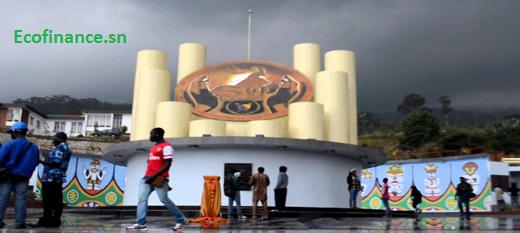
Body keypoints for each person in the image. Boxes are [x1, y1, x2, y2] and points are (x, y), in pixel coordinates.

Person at [126, 128, 188, 231]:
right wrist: (149, 175)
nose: (150, 136)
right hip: (147, 178)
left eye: (151, 134)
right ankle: (141, 223)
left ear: (158, 135)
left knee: (164, 199)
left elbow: (168, 164)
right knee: (142, 199)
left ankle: (181, 220)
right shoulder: (154, 147)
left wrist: (156, 177)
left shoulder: (167, 147)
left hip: (159, 178)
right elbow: (150, 162)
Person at [0, 122, 40, 229]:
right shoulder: (33, 147)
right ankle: (20, 222)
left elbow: (0, 160)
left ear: (15, 133)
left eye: (12, 133)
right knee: (21, 199)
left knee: (3, 198)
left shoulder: (8, 145)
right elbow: (35, 162)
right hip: (23, 177)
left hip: (7, 176)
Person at [28, 132, 72, 228]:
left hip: (51, 178)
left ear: (60, 138)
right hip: (57, 178)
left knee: (49, 200)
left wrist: (41, 161)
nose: (53, 141)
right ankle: (55, 220)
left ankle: (47, 220)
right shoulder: (67, 148)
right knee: (56, 200)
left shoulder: (60, 148)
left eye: (54, 139)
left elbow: (55, 162)